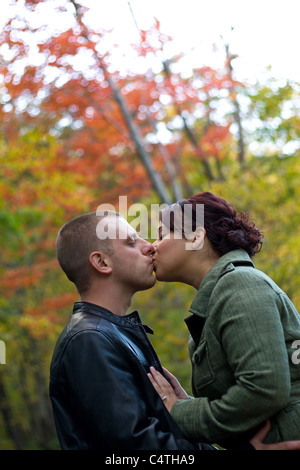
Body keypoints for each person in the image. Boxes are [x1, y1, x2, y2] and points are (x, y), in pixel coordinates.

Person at [49, 209, 299, 450]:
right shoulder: (88, 340)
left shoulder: (109, 334)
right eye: (131, 242)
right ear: (101, 262)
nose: (149, 247)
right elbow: (140, 446)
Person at [149, 191, 300, 448]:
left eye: (163, 234)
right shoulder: (221, 295)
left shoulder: (240, 285)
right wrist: (187, 402)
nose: (153, 245)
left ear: (196, 237)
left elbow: (265, 391)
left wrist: (180, 413)